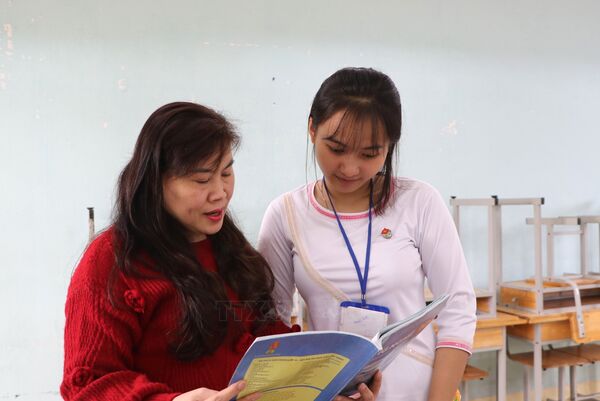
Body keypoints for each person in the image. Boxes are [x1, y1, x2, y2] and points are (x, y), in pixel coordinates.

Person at [60, 102, 382, 401]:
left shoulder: (232, 249)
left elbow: (270, 346)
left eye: (226, 173)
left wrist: (325, 389)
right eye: (202, 180)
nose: (220, 193)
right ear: (155, 182)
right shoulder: (112, 261)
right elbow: (86, 384)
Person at [258, 68, 477, 401]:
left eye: (369, 154)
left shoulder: (418, 202)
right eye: (336, 149)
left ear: (389, 146)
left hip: (417, 392)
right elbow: (270, 323)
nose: (349, 168)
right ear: (312, 128)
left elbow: (458, 309)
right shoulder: (285, 214)